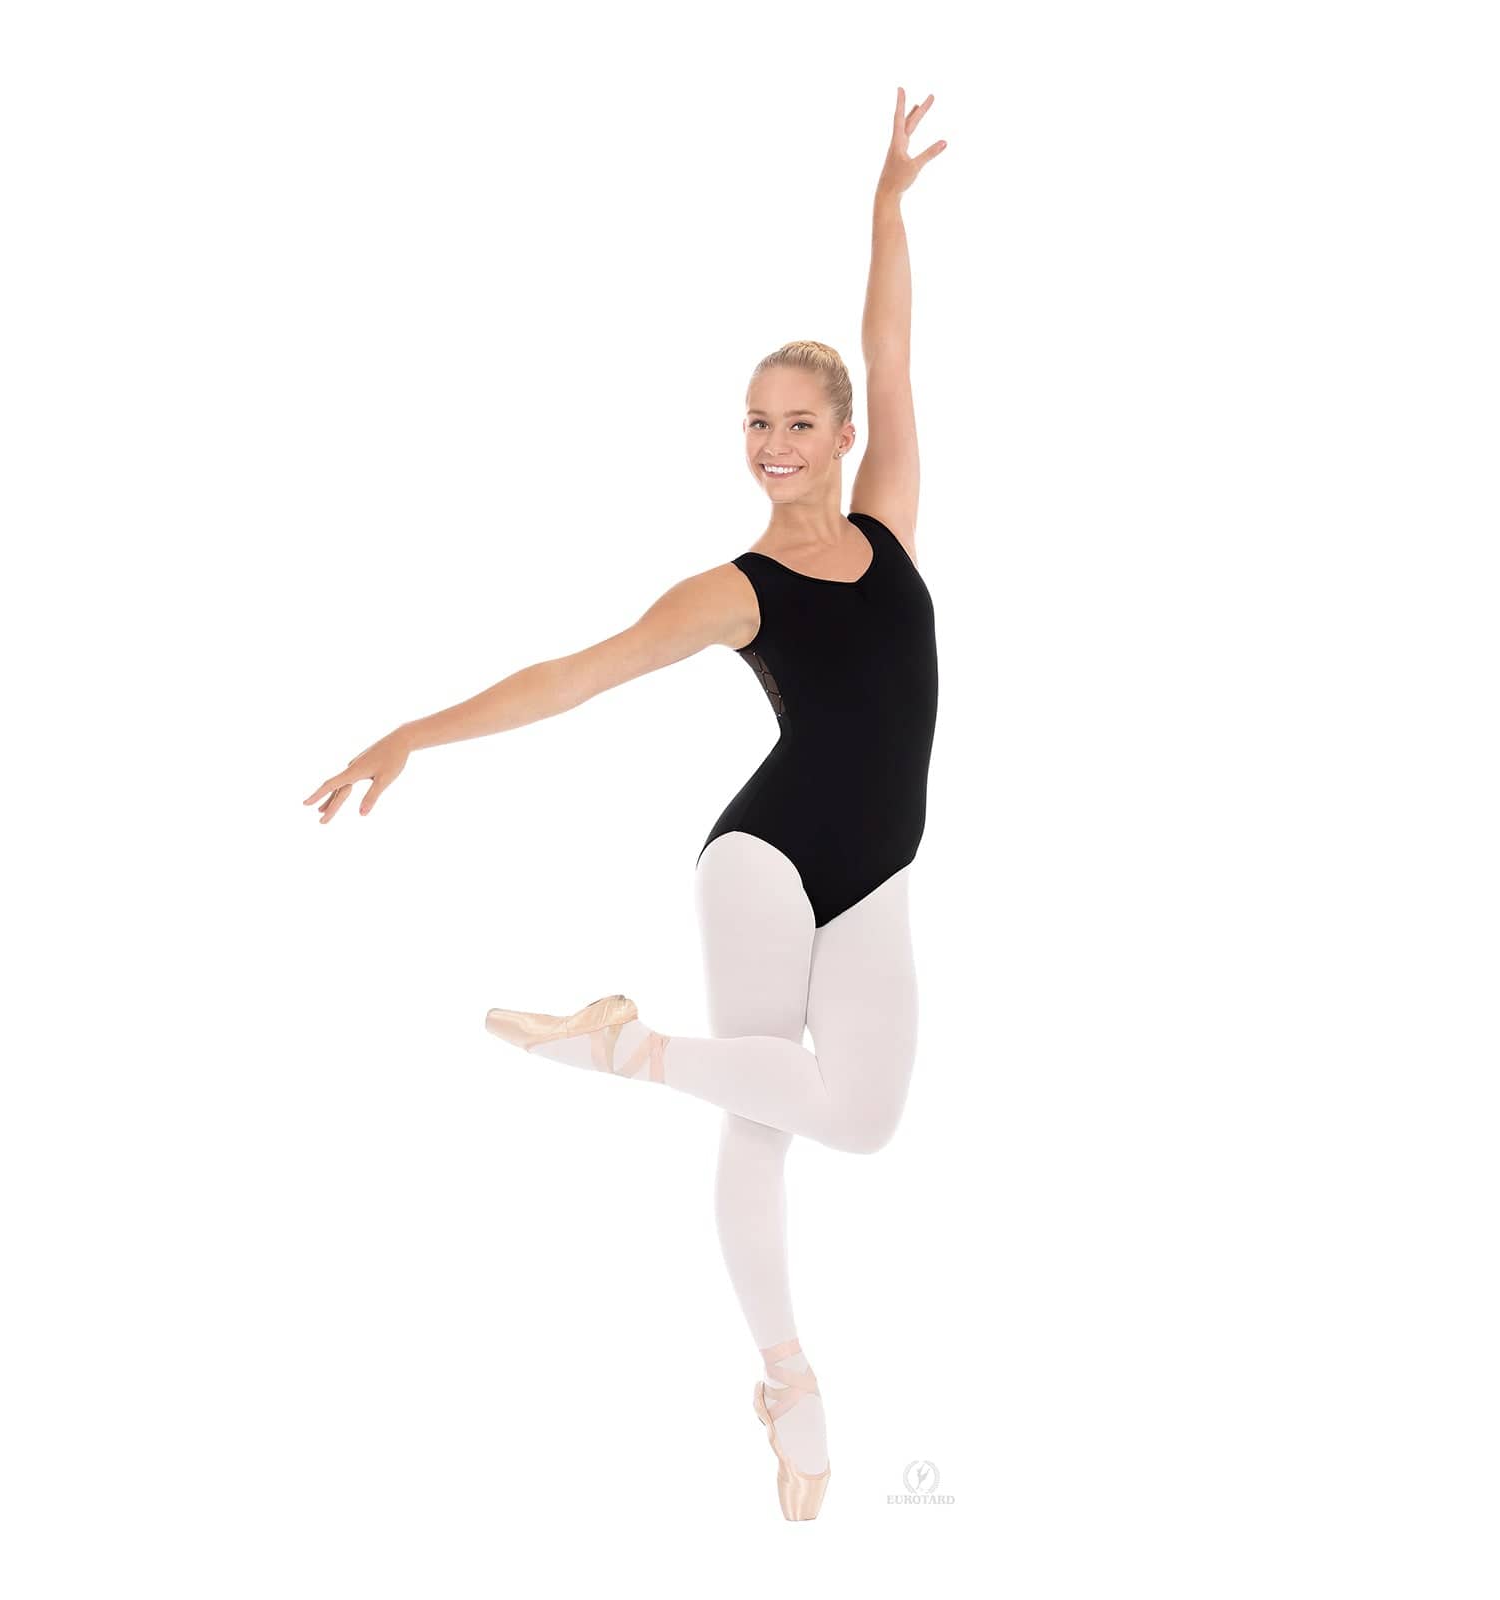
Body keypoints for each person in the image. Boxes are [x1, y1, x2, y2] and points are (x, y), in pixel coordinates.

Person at [303, 88, 947, 1521]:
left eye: (799, 422)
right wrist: (414, 733)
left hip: (879, 871)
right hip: (764, 859)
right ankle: (789, 1383)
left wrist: (886, 209)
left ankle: (624, 1050)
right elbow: (575, 674)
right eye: (756, 423)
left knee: (862, 1120)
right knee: (765, 1125)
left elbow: (895, 348)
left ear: (844, 434)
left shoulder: (892, 522)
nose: (774, 443)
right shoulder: (735, 589)